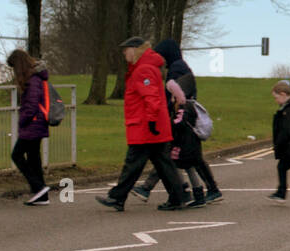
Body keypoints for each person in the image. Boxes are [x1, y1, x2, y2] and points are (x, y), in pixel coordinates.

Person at [95, 37, 186, 212]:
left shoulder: (143, 70)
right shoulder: (144, 68)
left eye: (126, 49)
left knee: (133, 164)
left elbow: (151, 98)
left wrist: (151, 122)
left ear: (136, 50)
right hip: (150, 126)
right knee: (163, 164)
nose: (124, 53)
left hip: (146, 127)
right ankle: (178, 196)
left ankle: (117, 197)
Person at [132, 39, 223, 207]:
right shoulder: (179, 66)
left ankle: (187, 190)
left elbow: (174, 93)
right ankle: (198, 190)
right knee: (181, 157)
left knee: (171, 156)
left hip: (181, 118)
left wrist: (165, 113)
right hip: (184, 117)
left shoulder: (177, 68)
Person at [7, 49, 52, 205]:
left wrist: (23, 120)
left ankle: (39, 187)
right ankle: (42, 194)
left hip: (32, 123)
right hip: (38, 123)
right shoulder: (36, 77)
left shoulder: (32, 80)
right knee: (33, 158)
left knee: (17, 155)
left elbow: (32, 104)